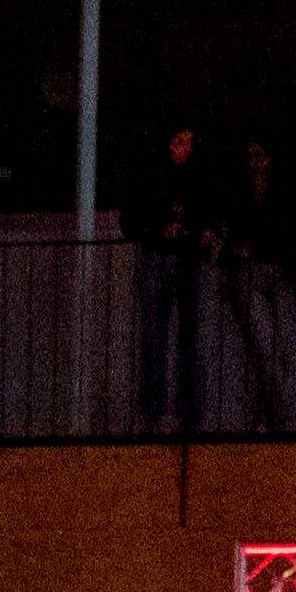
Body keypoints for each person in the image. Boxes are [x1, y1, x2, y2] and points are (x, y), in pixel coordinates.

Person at [121, 123, 223, 434]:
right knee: (155, 336)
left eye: (189, 143)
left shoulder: (198, 177)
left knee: (188, 339)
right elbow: (131, 220)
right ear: (167, 143)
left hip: (189, 259)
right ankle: (153, 409)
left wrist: (204, 233)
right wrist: (158, 229)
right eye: (179, 141)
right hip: (159, 257)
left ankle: (187, 411)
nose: (185, 149)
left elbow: (210, 213)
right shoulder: (151, 177)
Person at [224, 137, 296, 433]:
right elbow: (233, 230)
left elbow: (288, 226)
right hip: (251, 273)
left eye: (260, 155)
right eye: (251, 156)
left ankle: (268, 414)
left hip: (280, 271)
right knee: (264, 346)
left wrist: (257, 242)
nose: (255, 162)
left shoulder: (282, 190)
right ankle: (277, 416)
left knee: (285, 346)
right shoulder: (239, 191)